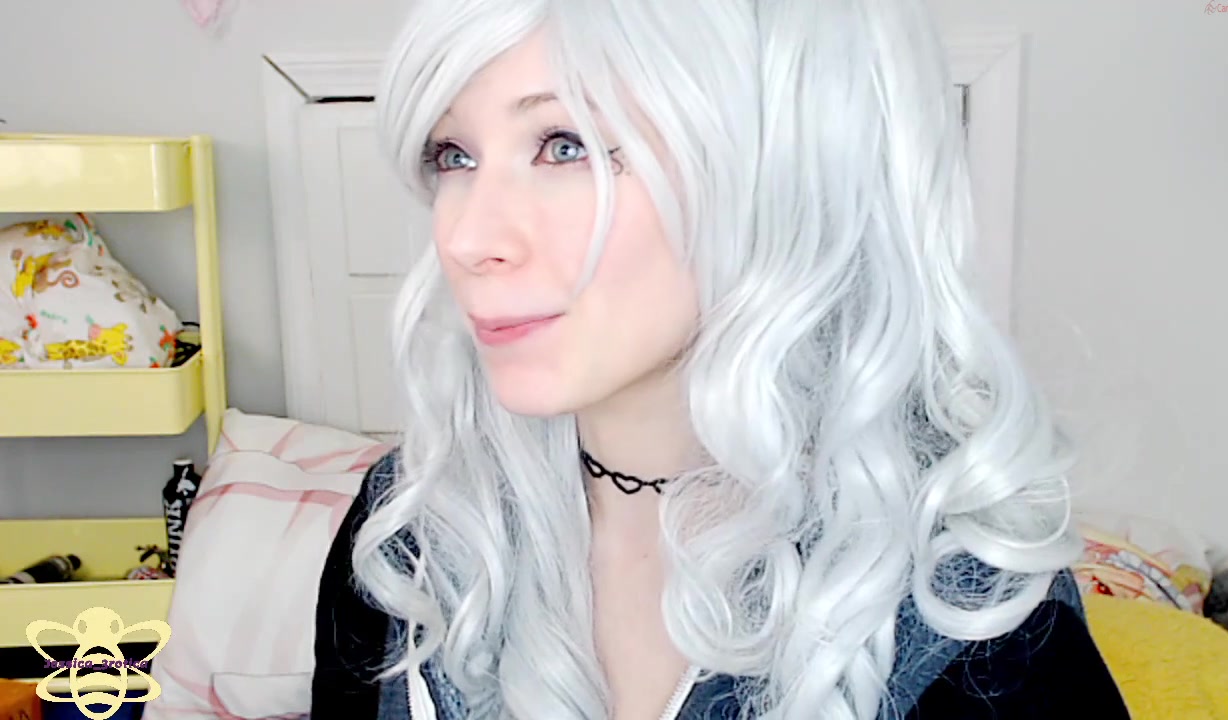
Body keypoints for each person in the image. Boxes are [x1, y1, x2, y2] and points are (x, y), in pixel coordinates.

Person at [312, 0, 1131, 717]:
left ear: (783, 165)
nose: (465, 239)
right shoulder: (416, 532)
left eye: (566, 145)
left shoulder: (966, 616)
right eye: (453, 154)